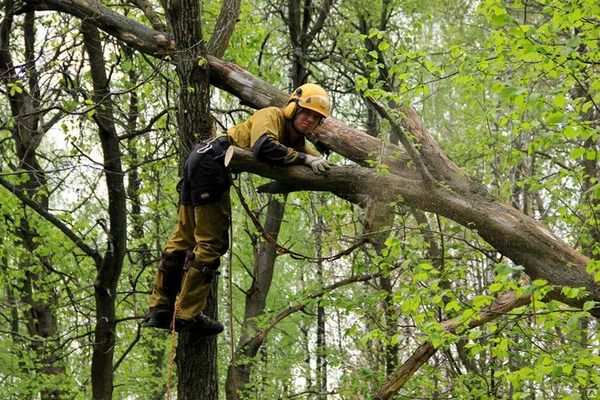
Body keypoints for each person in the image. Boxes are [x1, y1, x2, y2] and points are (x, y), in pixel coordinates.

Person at [144, 83, 333, 335]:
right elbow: (264, 147)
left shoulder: (296, 138)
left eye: (316, 118)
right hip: (211, 163)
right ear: (293, 107)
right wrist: (304, 159)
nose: (310, 120)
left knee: (183, 239)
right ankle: (187, 315)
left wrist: (318, 162)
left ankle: (160, 310)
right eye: (306, 113)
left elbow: (314, 159)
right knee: (211, 244)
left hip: (201, 160)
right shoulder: (271, 116)